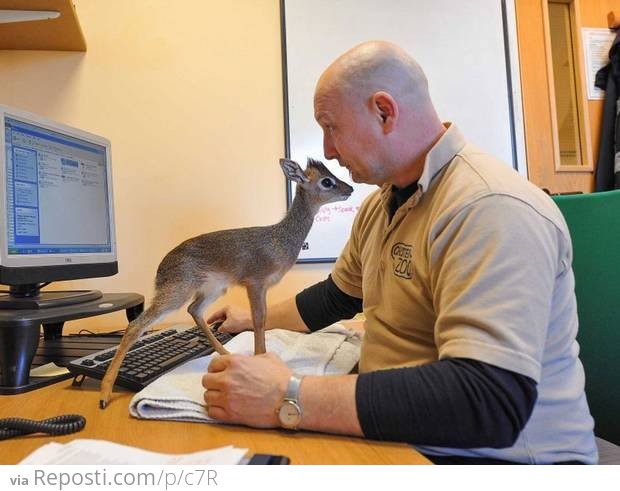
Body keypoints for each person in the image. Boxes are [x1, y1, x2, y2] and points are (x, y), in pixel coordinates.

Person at [201, 41, 598, 464]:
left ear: (384, 112)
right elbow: (337, 297)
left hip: (496, 459)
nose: (329, 150)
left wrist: (287, 394)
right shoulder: (381, 203)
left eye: (331, 127)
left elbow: (489, 401)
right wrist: (246, 319)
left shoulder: (489, 207)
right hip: (406, 436)